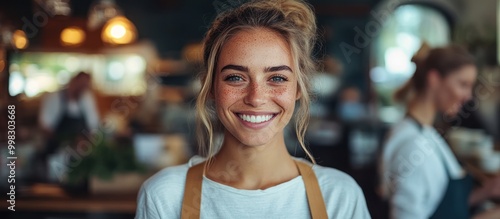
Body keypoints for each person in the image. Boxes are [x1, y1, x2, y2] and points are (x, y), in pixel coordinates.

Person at [136, 0, 371, 218]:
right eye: (236, 77)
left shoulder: (339, 196)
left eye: (277, 78)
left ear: (298, 88)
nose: (256, 98)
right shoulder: (165, 196)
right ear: (210, 87)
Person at [379, 45, 500, 219]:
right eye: (462, 84)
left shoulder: (423, 132)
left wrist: (486, 191)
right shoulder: (413, 146)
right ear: (434, 79)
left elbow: (436, 205)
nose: (469, 96)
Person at [38, 72, 99, 176]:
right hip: (56, 154)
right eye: (80, 84)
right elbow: (45, 127)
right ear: (73, 81)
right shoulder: (54, 98)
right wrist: (66, 141)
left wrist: (86, 141)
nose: (82, 88)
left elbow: (94, 126)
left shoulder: (87, 99)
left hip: (80, 155)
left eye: (85, 86)